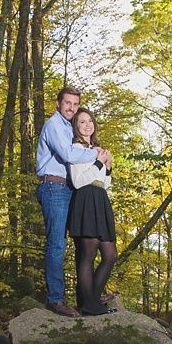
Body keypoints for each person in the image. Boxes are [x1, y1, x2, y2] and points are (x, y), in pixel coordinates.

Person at [36, 86, 110, 317]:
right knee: (57, 243)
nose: (71, 107)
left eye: (75, 104)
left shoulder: (71, 127)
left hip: (70, 189)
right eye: (67, 103)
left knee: (82, 244)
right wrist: (97, 154)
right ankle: (55, 300)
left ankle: (86, 297)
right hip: (54, 186)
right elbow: (69, 154)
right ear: (58, 103)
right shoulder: (54, 125)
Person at [66, 107, 116, 316]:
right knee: (88, 253)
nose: (87, 125)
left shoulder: (97, 148)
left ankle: (92, 301)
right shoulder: (75, 149)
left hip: (99, 198)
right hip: (85, 199)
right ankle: (90, 304)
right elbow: (78, 181)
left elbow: (103, 183)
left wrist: (108, 167)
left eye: (90, 121)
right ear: (76, 127)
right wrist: (98, 162)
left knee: (110, 255)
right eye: (82, 122)